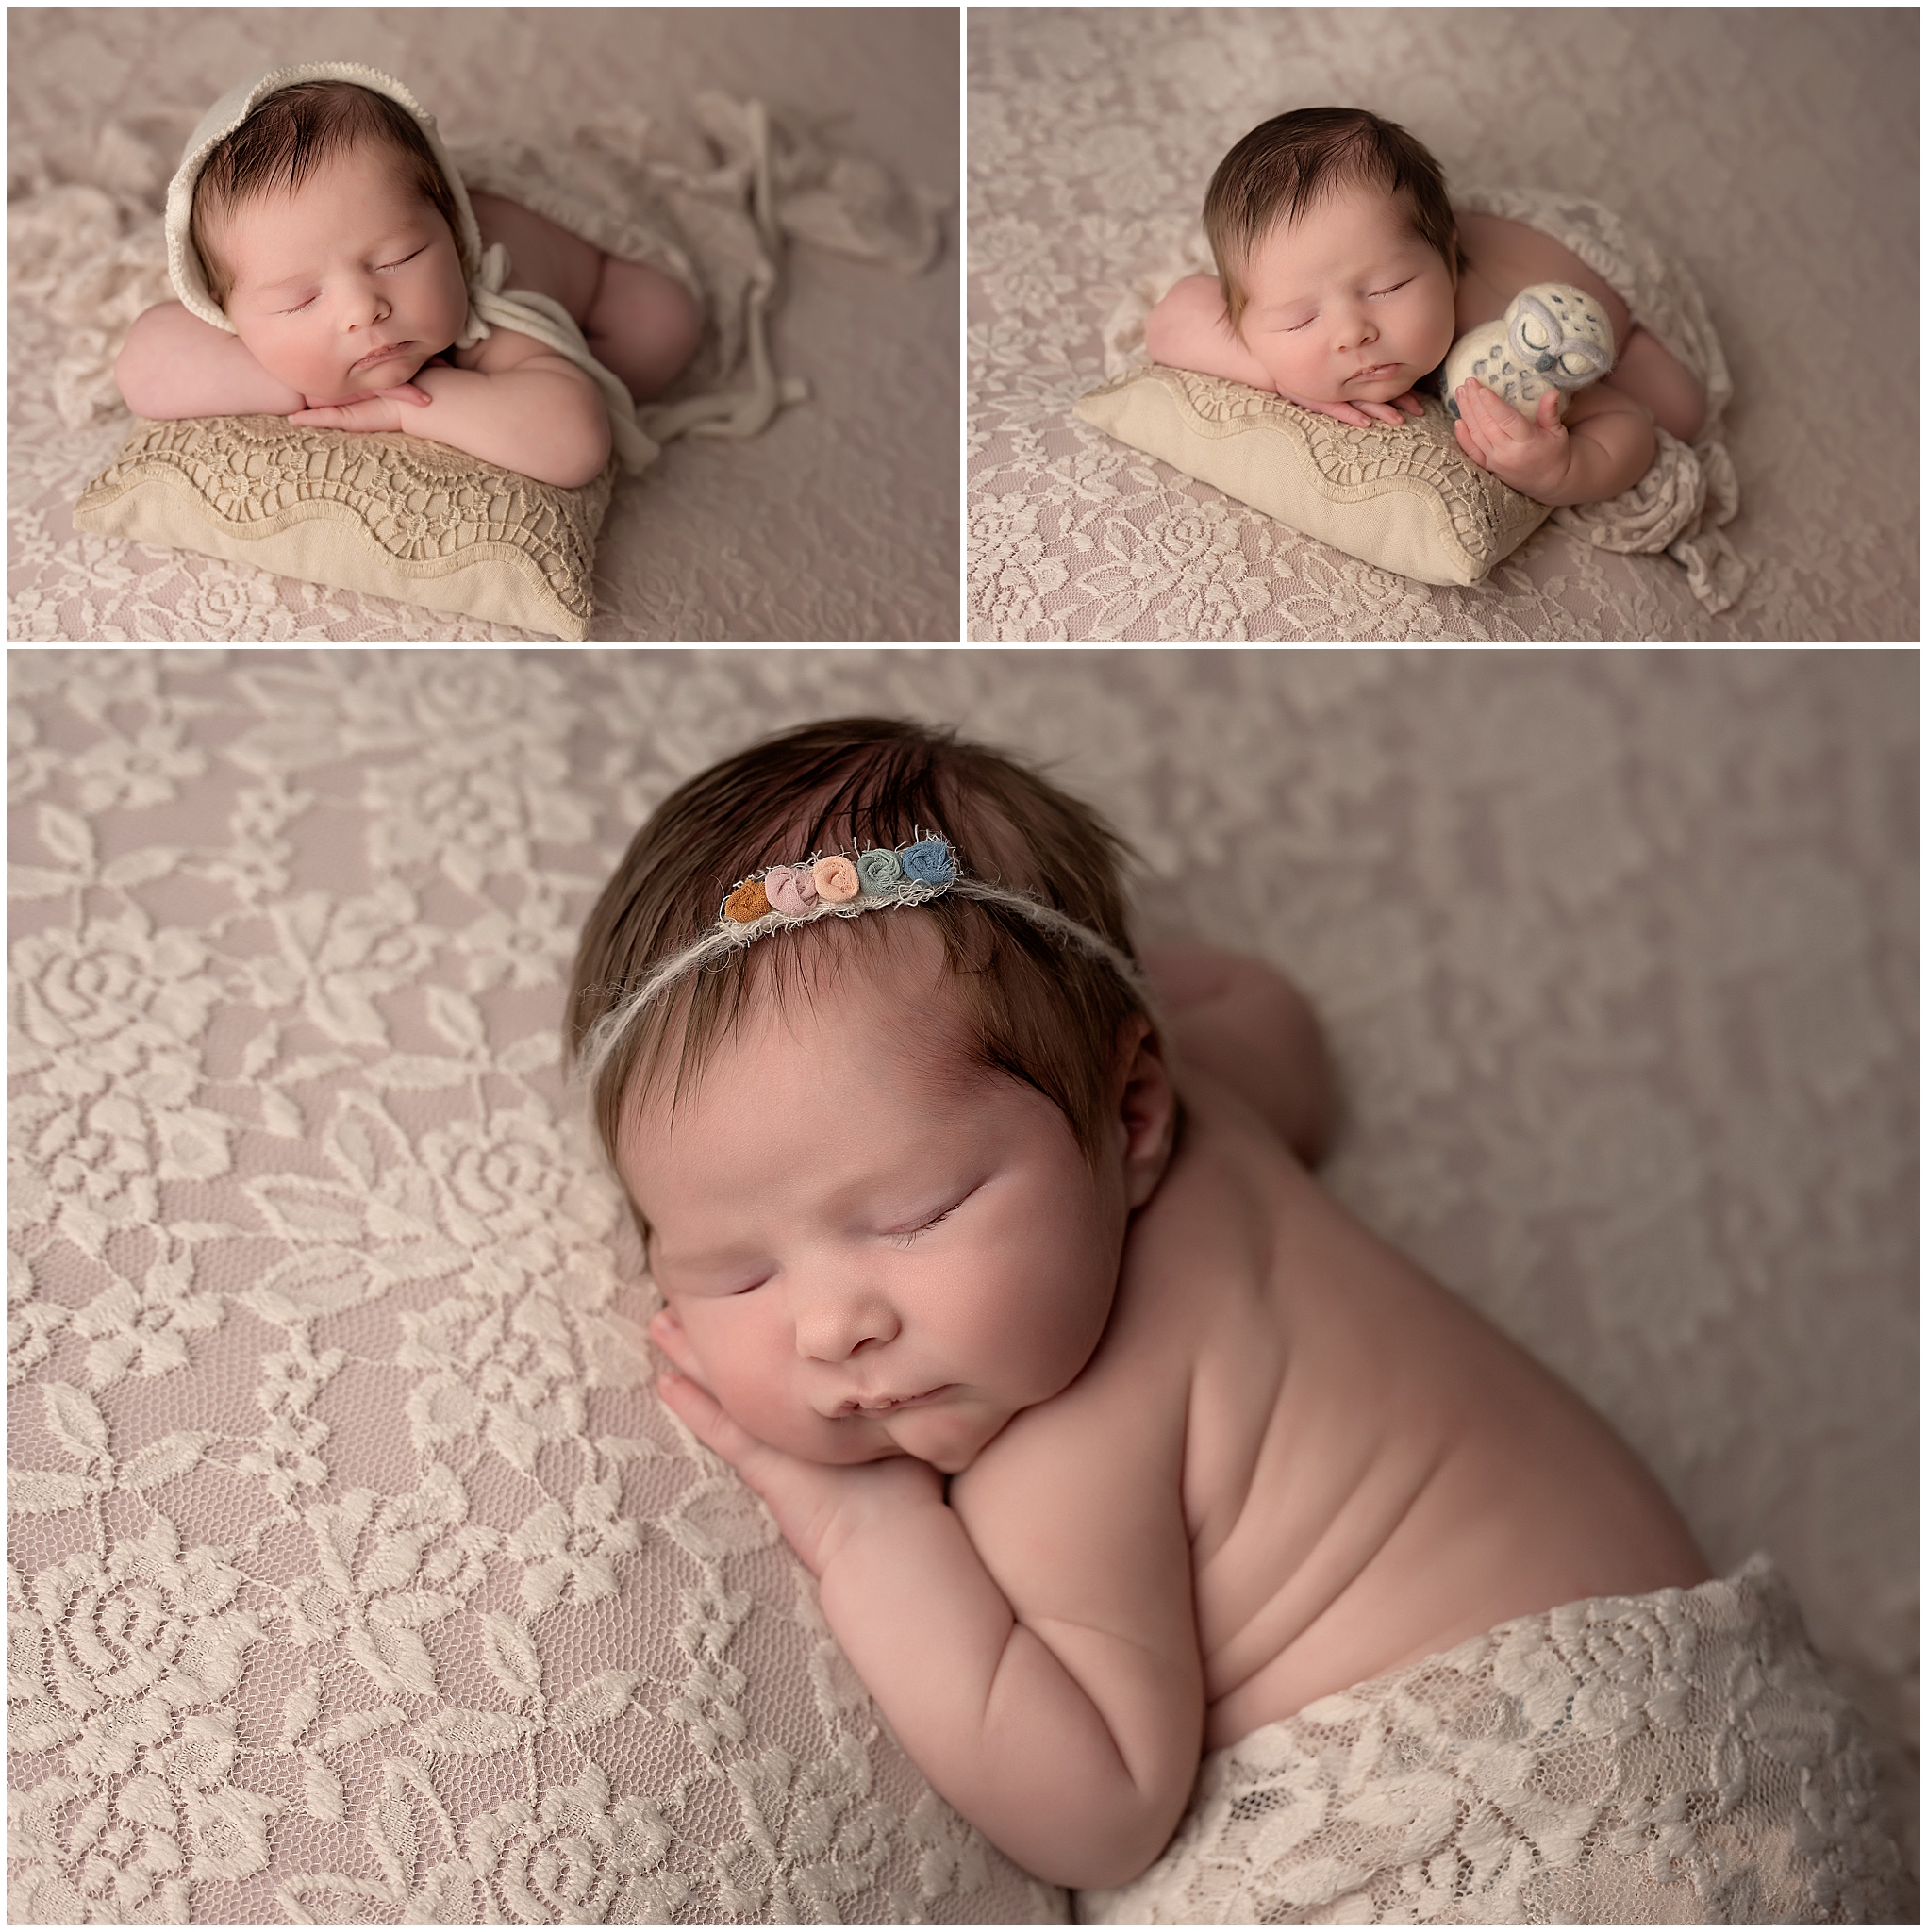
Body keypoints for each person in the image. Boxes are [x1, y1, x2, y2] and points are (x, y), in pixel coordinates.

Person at [567, 715, 1902, 1921]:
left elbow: (1095, 1808)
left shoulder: (1065, 1438)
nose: (828, 1326)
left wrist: (858, 1526)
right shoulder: (1217, 1102)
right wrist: (1075, 974)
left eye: (914, 1214)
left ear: (1128, 1117)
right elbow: (1271, 1018)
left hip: (1531, 1840)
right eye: (733, 1272)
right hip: (1744, 1738)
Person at [114, 70, 702, 489]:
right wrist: (298, 382)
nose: (363, 309)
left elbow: (574, 442)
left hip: (575, 253)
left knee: (661, 323)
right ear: (224, 311)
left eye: (397, 259)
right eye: (301, 300)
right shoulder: (259, 271)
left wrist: (413, 406)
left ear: (449, 231)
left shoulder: (487, 315)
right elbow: (144, 364)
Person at [1144, 107, 1708, 508]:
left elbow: (1623, 422)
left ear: (1445, 258)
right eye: (1299, 317)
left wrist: (1561, 469)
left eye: (1388, 288)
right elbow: (1169, 318)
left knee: (1680, 412)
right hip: (1441, 240)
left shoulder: (1504, 345)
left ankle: (1630, 335)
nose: (1350, 333)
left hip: (1585, 269)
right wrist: (1279, 371)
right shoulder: (1282, 295)